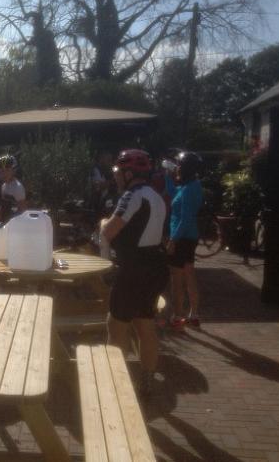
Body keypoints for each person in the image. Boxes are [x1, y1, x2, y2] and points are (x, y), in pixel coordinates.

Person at [100, 149, 168, 397]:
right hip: (155, 266)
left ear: (129, 173)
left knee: (116, 325)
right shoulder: (157, 196)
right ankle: (147, 380)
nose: (116, 176)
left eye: (118, 171)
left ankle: (114, 383)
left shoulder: (133, 195)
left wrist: (102, 223)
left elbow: (109, 231)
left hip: (134, 269)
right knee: (144, 324)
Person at [165, 151, 203, 330]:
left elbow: (185, 218)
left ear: (186, 168)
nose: (177, 167)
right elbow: (174, 194)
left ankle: (177, 316)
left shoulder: (188, 189)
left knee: (177, 279)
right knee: (189, 275)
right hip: (190, 237)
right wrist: (168, 177)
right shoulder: (192, 186)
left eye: (179, 165)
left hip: (181, 238)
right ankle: (194, 314)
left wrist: (173, 240)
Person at [0, 155, 27, 230]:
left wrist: (7, 222)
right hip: (6, 225)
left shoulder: (18, 187)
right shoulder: (4, 186)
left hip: (16, 226)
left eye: (7, 170)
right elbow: (3, 207)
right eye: (2, 171)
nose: (4, 173)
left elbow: (22, 211)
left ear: (14, 171)